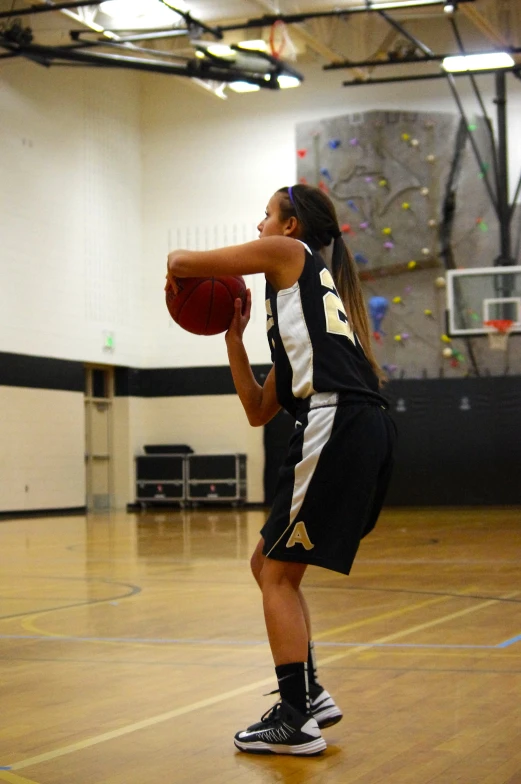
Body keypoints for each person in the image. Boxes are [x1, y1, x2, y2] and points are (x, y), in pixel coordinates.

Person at [167, 183, 396, 756]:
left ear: (291, 227)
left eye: (268, 216)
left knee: (276, 575)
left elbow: (181, 261)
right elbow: (256, 409)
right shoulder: (303, 306)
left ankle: (295, 715)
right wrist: (233, 339)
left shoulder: (290, 257)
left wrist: (185, 279)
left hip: (336, 421)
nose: (261, 224)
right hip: (352, 423)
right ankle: (310, 694)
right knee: (268, 564)